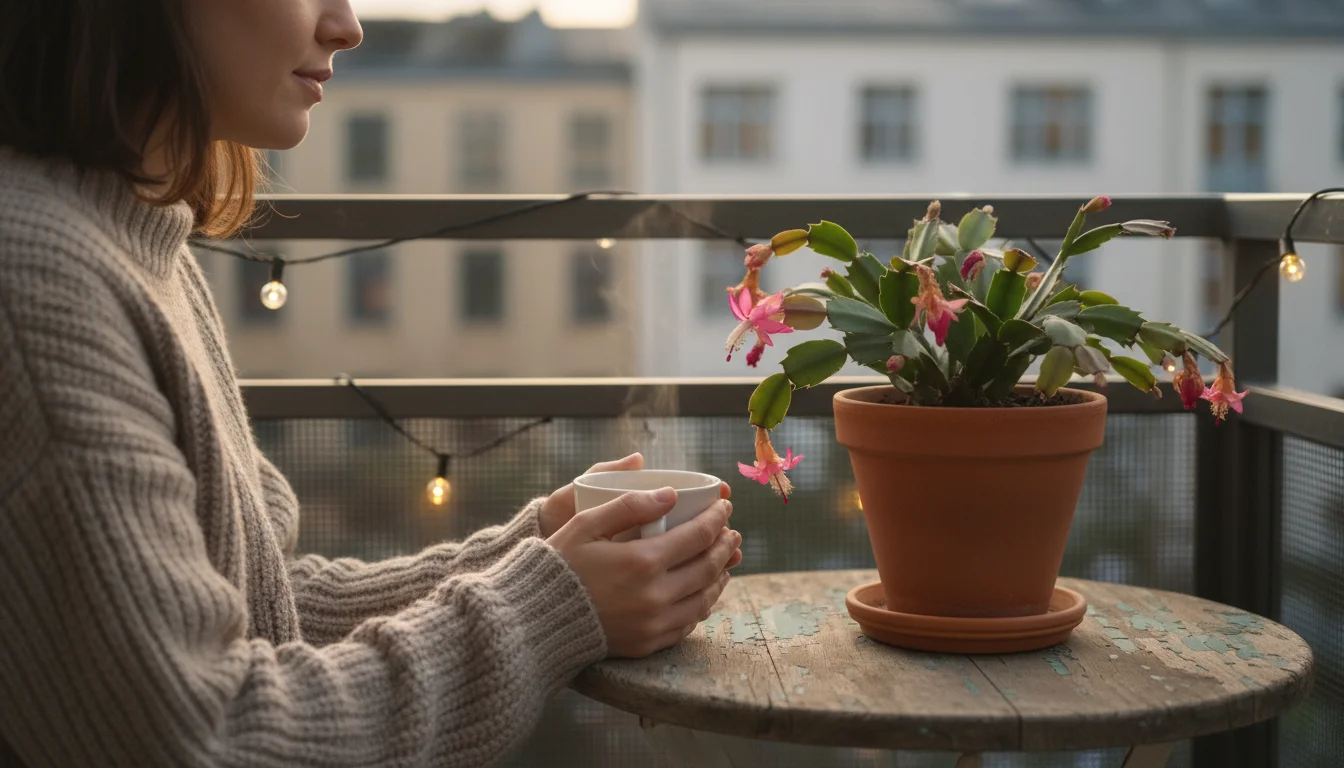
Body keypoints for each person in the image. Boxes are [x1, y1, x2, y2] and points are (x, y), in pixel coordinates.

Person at [0, 1, 742, 766]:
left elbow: (262, 610)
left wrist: (533, 552)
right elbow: (209, 737)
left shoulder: (135, 240)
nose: (347, 26)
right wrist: (550, 605)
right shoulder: (39, 282)